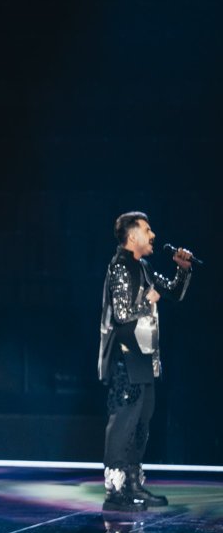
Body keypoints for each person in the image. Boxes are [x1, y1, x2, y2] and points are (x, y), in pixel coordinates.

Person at [98, 212, 192, 512]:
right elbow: (123, 314)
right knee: (123, 423)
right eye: (147, 230)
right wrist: (148, 299)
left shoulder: (145, 267)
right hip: (125, 358)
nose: (153, 235)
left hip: (145, 358)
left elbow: (173, 292)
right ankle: (116, 491)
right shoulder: (119, 267)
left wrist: (183, 271)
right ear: (133, 236)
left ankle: (134, 483)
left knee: (141, 423)